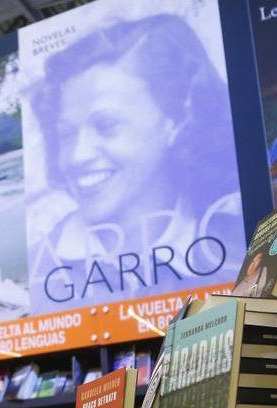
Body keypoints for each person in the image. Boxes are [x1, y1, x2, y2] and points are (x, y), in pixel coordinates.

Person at [27, 13, 244, 305]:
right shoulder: (41, 275)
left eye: (106, 125)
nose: (77, 156)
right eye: (66, 134)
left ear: (176, 118)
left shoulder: (241, 246)